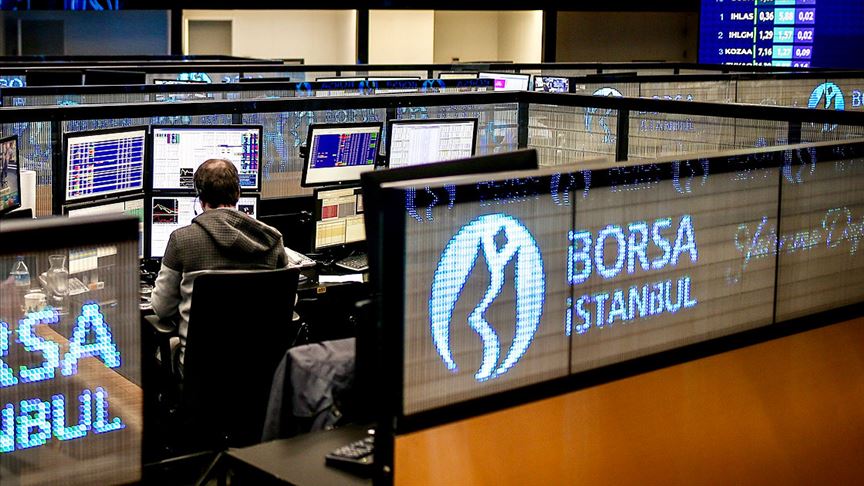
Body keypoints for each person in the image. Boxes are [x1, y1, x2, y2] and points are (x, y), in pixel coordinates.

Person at [150, 159, 288, 366]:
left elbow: (162, 308)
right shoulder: (272, 239)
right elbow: (287, 302)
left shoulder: (182, 240)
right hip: (260, 369)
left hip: (200, 370)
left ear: (200, 199)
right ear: (238, 194)